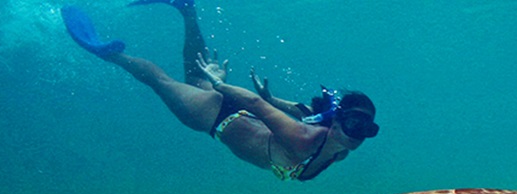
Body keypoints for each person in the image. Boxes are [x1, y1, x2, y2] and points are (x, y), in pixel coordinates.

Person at [61, 1, 379, 182]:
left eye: (367, 129)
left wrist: (268, 97)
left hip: (229, 111)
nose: (358, 134)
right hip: (214, 116)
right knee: (160, 80)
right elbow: (255, 104)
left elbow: (298, 109)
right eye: (354, 124)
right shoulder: (304, 138)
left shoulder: (339, 148)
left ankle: (186, 9)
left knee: (191, 74)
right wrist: (220, 85)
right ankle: (104, 52)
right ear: (337, 122)